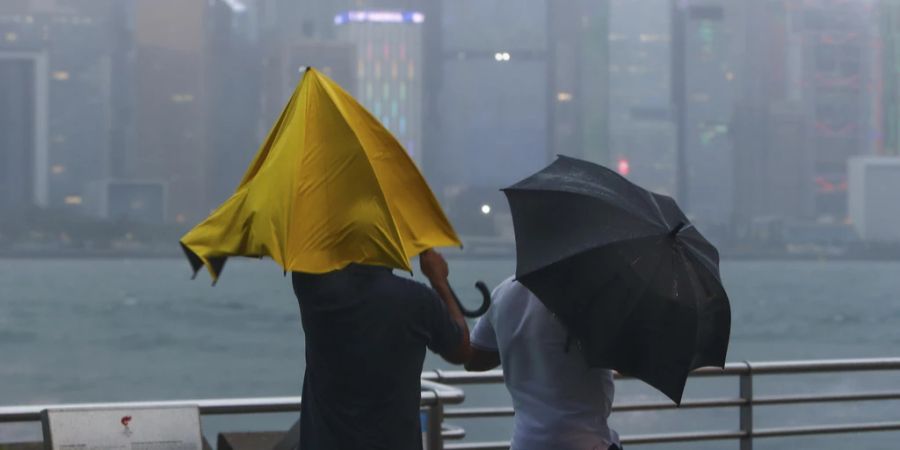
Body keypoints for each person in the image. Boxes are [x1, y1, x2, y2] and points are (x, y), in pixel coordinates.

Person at [291, 249, 471, 450]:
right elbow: (462, 349)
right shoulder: (418, 300)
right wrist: (439, 281)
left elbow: (310, 257)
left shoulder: (312, 286)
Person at [466, 276, 621, 450]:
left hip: (525, 443)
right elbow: (626, 355)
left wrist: (518, 342)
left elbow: (472, 359)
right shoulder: (589, 295)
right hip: (588, 442)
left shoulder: (503, 294)